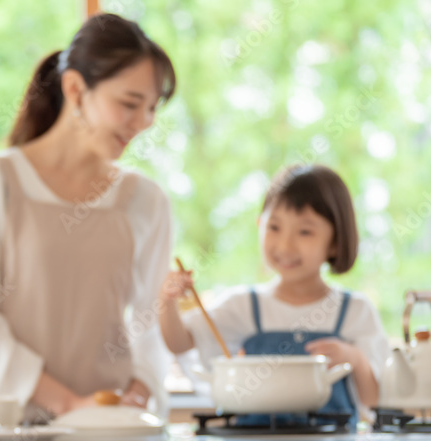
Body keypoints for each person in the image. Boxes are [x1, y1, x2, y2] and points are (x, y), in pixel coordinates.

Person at [0, 13, 177, 419]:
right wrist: (70, 406)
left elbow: (151, 321)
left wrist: (137, 396)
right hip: (15, 427)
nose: (142, 123)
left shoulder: (147, 199)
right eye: (128, 104)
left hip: (113, 430)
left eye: (151, 108)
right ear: (75, 88)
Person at [159, 164, 389, 425]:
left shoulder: (355, 310)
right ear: (259, 225)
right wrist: (166, 302)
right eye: (274, 227)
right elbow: (179, 343)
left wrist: (354, 359)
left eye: (304, 232)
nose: (285, 245)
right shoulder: (243, 305)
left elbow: (374, 400)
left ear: (336, 241)